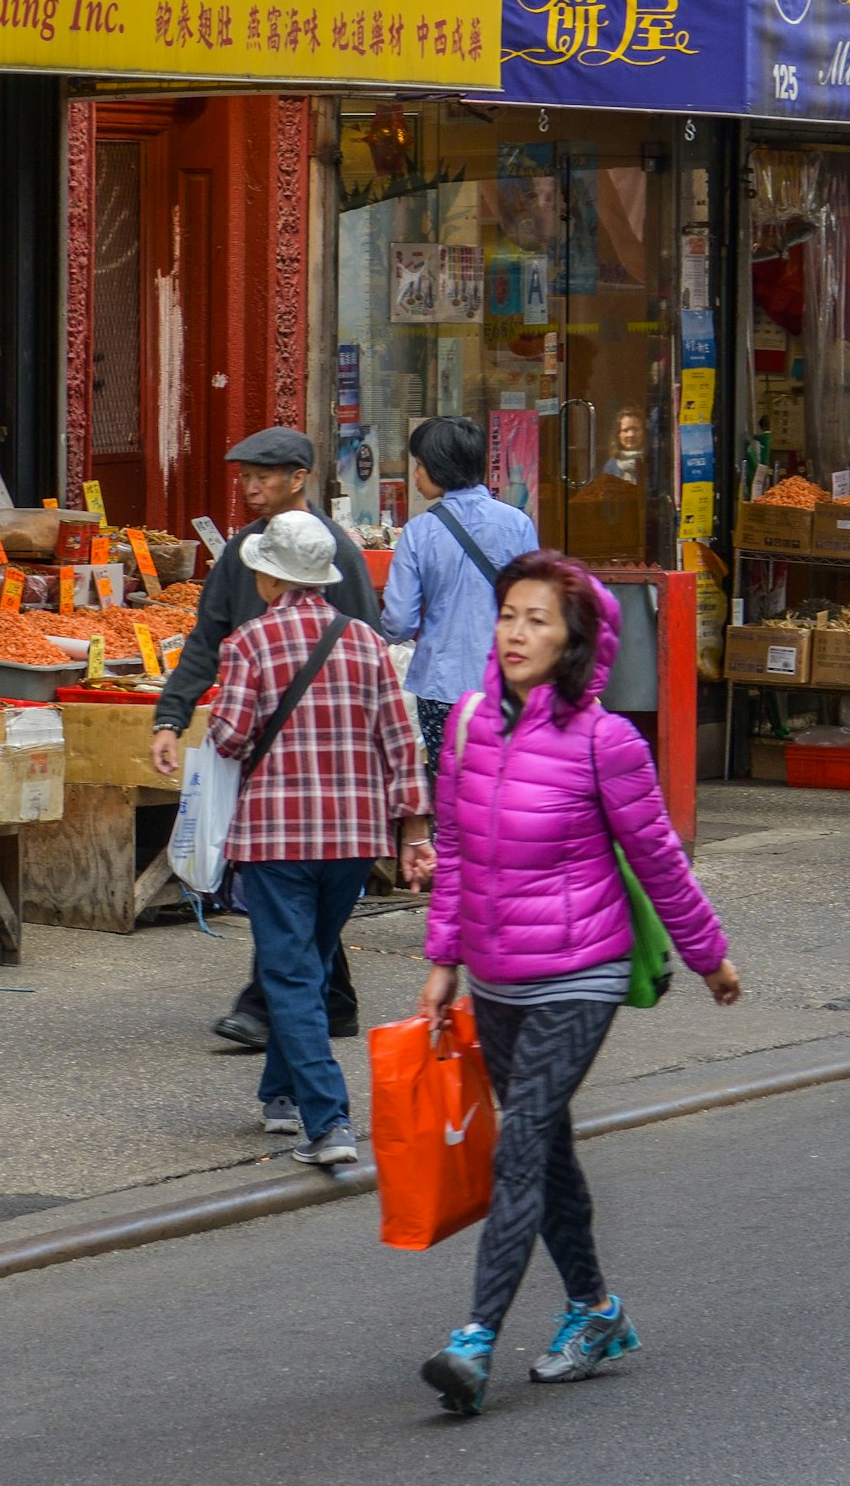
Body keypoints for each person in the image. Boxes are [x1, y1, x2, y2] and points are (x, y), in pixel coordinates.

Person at [417, 556, 742, 1414]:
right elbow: (454, 851)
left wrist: (707, 955)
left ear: (574, 643)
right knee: (545, 1146)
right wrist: (443, 959)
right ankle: (596, 1311)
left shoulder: (608, 742)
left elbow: (658, 858)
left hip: (582, 972)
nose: (516, 633)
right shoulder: (466, 725)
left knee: (519, 1140)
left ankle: (474, 1340)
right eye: (508, 616)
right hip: (495, 976)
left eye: (538, 620)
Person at [206, 509, 431, 1165]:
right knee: (307, 961)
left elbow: (227, 737)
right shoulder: (365, 643)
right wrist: (415, 829)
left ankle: (328, 1121)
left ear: (272, 579)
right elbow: (401, 741)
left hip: (278, 836)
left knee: (291, 971)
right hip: (356, 837)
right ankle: (281, 1095)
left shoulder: (249, 643)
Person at [156, 426, 386, 1052]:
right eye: (243, 475)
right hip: (257, 746)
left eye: (264, 475)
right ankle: (331, 1001)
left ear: (299, 477)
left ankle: (263, 1008)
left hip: (323, 752)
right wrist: (171, 716)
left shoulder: (335, 552)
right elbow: (206, 639)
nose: (250, 486)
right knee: (290, 886)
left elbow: (371, 651)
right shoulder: (242, 550)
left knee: (282, 886)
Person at [382, 416, 541, 771]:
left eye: (420, 465)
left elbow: (398, 622)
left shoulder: (419, 532)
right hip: (507, 683)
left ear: (440, 467)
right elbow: (536, 606)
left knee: (452, 786)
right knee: (507, 780)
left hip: (441, 687)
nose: (416, 474)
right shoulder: (518, 524)